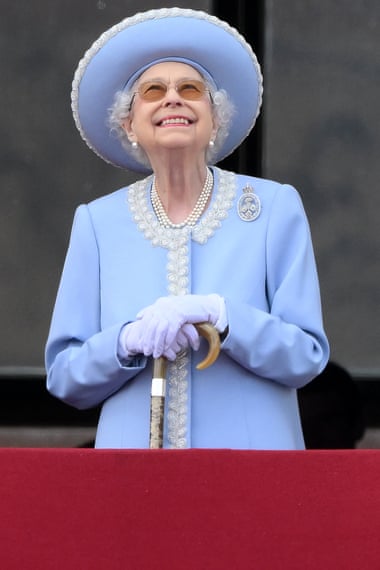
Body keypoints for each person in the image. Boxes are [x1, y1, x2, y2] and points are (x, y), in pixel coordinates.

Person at [45, 7, 329, 449]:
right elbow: (65, 376)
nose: (172, 98)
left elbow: (306, 356)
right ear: (129, 124)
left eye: (191, 89)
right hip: (132, 475)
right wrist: (125, 341)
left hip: (252, 472)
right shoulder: (97, 223)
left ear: (215, 119)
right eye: (152, 90)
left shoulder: (274, 207)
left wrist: (223, 317)